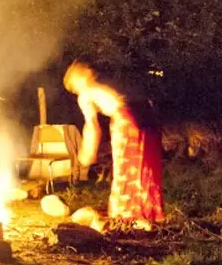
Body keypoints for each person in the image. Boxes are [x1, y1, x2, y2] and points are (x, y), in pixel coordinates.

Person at [63, 61, 164, 227]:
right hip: (148, 117)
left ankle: (129, 213)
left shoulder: (85, 95)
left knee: (127, 166)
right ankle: (148, 212)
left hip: (127, 121)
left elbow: (92, 126)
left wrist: (86, 153)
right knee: (145, 164)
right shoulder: (103, 85)